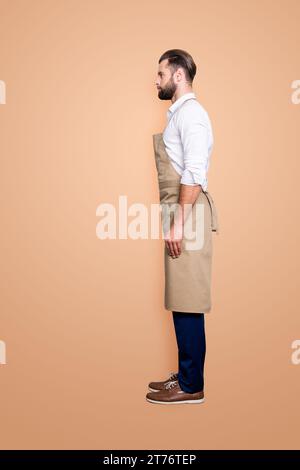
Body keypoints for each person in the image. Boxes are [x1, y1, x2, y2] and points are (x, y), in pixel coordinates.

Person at [146, 49, 219, 405]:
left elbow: (194, 173)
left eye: (160, 74)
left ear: (177, 75)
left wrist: (178, 224)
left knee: (188, 300)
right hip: (182, 213)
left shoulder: (191, 115)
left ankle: (192, 386)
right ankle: (187, 375)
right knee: (181, 299)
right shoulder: (178, 115)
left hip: (187, 214)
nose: (156, 81)